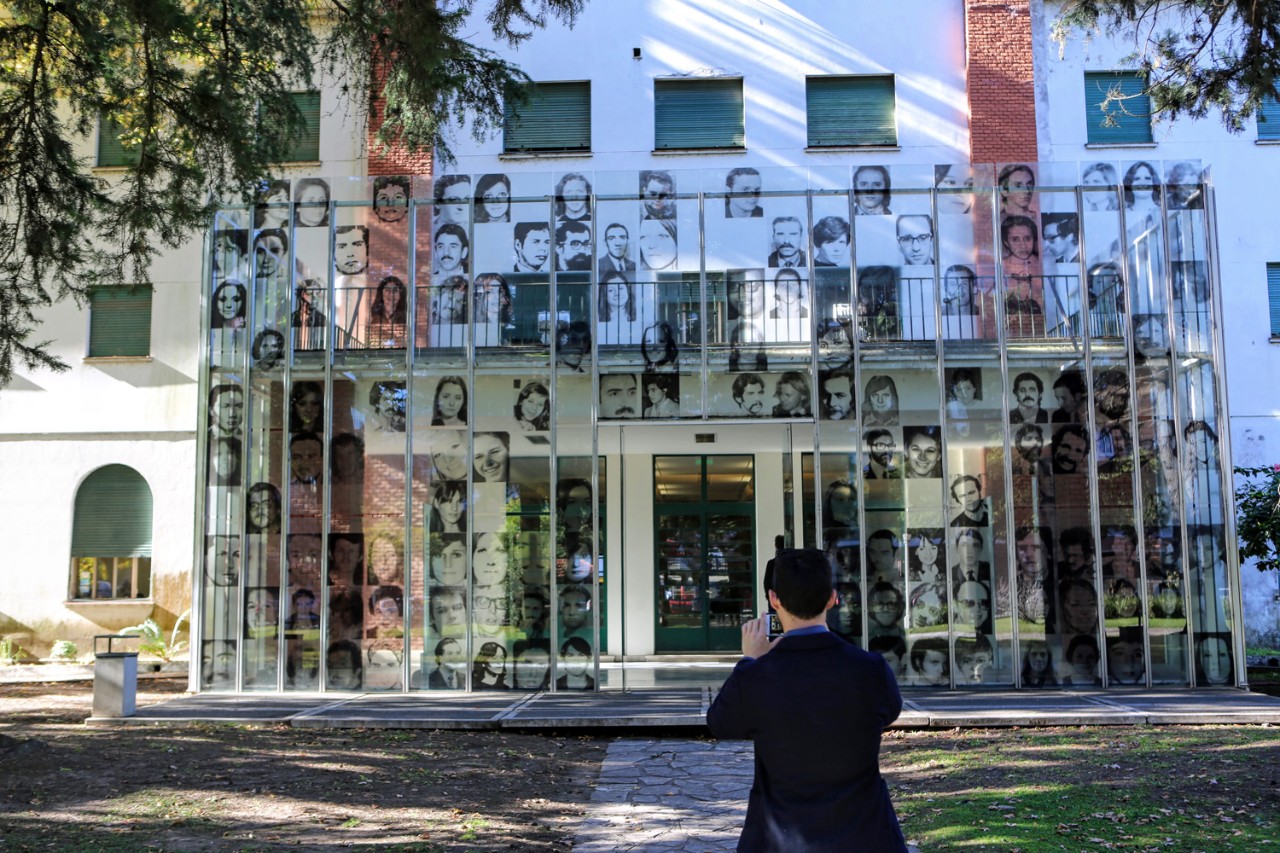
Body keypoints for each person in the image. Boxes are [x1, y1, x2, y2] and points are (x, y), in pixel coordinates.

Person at [706, 548, 907, 853]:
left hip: (781, 840)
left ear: (774, 600)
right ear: (832, 598)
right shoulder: (871, 669)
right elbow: (889, 710)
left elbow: (721, 724)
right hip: (865, 835)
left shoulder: (756, 677)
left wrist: (750, 660)